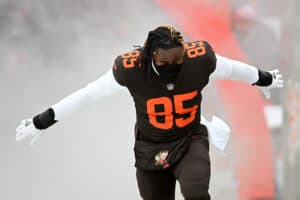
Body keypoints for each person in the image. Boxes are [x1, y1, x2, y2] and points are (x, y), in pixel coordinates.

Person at [16, 24, 283, 200]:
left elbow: (231, 68)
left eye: (177, 58)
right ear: (148, 56)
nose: (173, 65)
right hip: (150, 145)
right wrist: (43, 120)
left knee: (196, 192)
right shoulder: (130, 69)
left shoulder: (198, 58)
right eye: (165, 60)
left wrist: (263, 78)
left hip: (189, 138)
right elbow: (88, 94)